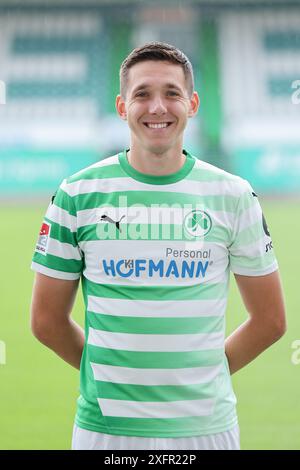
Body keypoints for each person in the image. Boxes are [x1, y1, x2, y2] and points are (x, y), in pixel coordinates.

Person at [30, 42, 286, 451]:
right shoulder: (77, 193)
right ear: (121, 106)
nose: (157, 107)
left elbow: (271, 320)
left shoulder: (233, 195)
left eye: (171, 93)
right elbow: (46, 321)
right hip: (105, 431)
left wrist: (204, 377)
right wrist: (110, 379)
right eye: (142, 94)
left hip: (207, 430)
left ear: (193, 103)